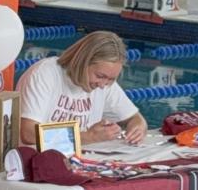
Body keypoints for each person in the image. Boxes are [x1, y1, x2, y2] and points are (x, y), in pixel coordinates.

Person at [17, 31, 148, 146]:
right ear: (82, 61)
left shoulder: (105, 83)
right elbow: (28, 134)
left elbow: (135, 118)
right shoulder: (45, 74)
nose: (103, 85)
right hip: (34, 163)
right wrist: (88, 137)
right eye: (100, 76)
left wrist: (137, 128)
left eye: (111, 79)